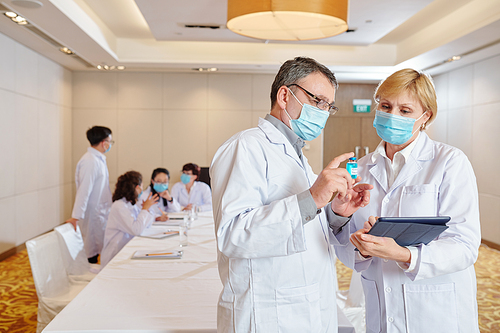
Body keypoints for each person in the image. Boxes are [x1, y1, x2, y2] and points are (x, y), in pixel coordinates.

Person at [210, 57, 373, 332]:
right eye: (317, 101)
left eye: (328, 106)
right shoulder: (245, 147)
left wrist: (335, 213)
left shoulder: (298, 157)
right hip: (267, 312)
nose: (323, 112)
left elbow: (304, 226)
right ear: (285, 95)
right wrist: (313, 198)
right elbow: (232, 235)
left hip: (306, 305)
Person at [343, 69, 480, 333]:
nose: (392, 115)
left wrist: (404, 254)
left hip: (435, 310)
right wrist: (361, 246)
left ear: (425, 116)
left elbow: (465, 245)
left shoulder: (449, 162)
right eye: (385, 106)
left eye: (405, 110)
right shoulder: (360, 169)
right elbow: (344, 244)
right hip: (382, 306)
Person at [65, 126, 113, 264]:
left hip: (99, 213)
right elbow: (84, 190)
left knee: (97, 249)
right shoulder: (90, 161)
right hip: (92, 214)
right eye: (110, 141)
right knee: (90, 251)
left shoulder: (98, 159)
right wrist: (76, 216)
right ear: (104, 142)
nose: (110, 145)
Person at [100, 171, 158, 267]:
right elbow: (136, 230)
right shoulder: (119, 206)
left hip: (126, 251)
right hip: (114, 256)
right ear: (137, 188)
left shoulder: (131, 203)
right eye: (141, 186)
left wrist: (146, 209)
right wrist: (144, 209)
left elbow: (147, 225)